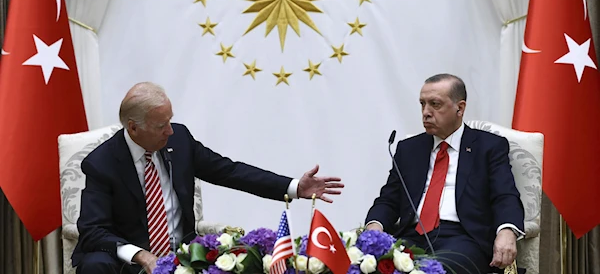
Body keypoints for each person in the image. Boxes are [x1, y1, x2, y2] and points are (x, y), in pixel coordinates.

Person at [72, 82, 344, 274]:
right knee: (95, 264)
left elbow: (230, 171)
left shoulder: (179, 141)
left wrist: (294, 187)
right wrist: (140, 255)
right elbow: (93, 231)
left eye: (170, 121)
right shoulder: (101, 164)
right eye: (160, 126)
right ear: (133, 127)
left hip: (185, 255)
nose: (170, 131)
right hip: (129, 263)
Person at [365, 74, 524, 274]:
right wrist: (374, 228)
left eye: (435, 104)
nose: (426, 112)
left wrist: (507, 231)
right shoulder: (409, 149)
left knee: (433, 270)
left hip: (463, 238)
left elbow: (505, 195)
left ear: (460, 108)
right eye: (422, 104)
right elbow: (388, 200)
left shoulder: (488, 146)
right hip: (411, 237)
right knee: (369, 267)